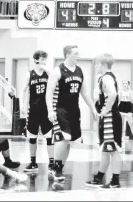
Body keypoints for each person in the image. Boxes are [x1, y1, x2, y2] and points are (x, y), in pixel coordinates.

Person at [46, 45, 98, 181]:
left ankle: (59, 167)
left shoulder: (80, 71)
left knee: (69, 141)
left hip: (74, 111)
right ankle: (55, 167)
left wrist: (93, 109)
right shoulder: (57, 71)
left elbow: (85, 93)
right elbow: (49, 93)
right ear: (68, 55)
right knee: (63, 139)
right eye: (76, 53)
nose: (78, 56)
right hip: (60, 109)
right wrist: (50, 110)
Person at [85, 53, 122, 189]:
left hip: (110, 118)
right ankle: (99, 177)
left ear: (104, 65)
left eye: (97, 64)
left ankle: (115, 180)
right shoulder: (107, 77)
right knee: (106, 149)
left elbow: (113, 94)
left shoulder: (106, 77)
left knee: (113, 149)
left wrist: (105, 111)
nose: (96, 67)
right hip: (109, 117)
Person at [20, 50, 54, 173]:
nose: (44, 61)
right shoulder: (29, 74)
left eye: (45, 59)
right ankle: (33, 162)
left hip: (46, 110)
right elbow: (23, 90)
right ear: (36, 60)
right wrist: (22, 103)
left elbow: (55, 82)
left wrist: (47, 70)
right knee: (32, 137)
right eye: (42, 59)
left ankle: (52, 163)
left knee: (49, 137)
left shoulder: (48, 74)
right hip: (33, 110)